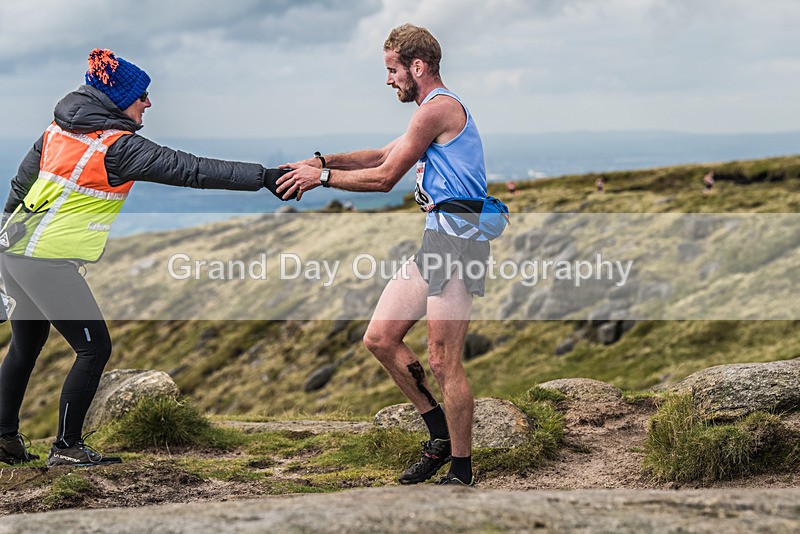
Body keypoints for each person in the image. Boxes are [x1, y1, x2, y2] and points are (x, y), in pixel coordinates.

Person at [0, 49, 290, 468]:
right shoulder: (116, 147)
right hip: (46, 262)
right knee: (93, 348)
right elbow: (191, 169)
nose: (149, 103)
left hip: (15, 252)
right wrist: (263, 178)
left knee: (26, 346)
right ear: (119, 99)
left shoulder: (58, 130)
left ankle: (4, 439)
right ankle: (67, 448)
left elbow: (20, 188)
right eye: (142, 96)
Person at [278, 24, 491, 486]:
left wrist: (322, 180)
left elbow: (384, 177)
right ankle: (439, 436)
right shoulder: (427, 114)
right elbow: (379, 154)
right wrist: (322, 161)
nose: (389, 79)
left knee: (443, 361)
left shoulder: (440, 109)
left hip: (460, 243)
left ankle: (461, 471)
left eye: (393, 70)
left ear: (418, 66)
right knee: (379, 338)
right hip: (438, 241)